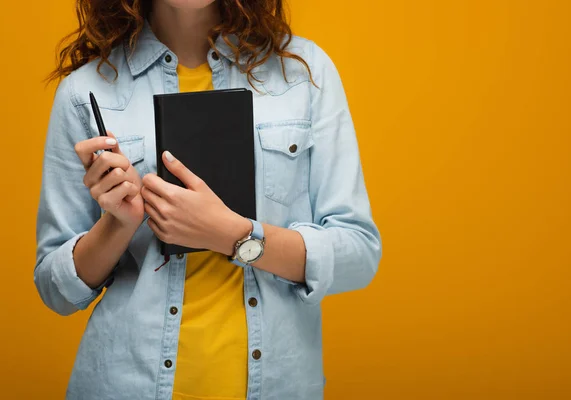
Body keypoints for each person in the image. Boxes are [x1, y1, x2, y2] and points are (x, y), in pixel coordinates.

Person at [34, 0, 382, 399]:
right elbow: (55, 290)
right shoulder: (85, 91)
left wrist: (234, 236)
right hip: (125, 385)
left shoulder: (304, 73)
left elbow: (359, 253)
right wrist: (120, 222)